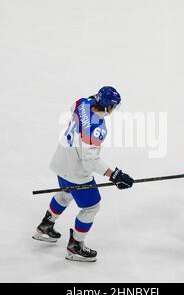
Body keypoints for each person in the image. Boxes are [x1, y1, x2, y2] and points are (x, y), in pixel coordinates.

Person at [33, 86, 134, 262]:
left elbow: (73, 106)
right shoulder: (97, 128)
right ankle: (76, 246)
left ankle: (45, 226)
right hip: (76, 173)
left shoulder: (83, 103)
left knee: (66, 194)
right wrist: (115, 174)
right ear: (109, 107)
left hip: (61, 161)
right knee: (92, 206)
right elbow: (90, 161)